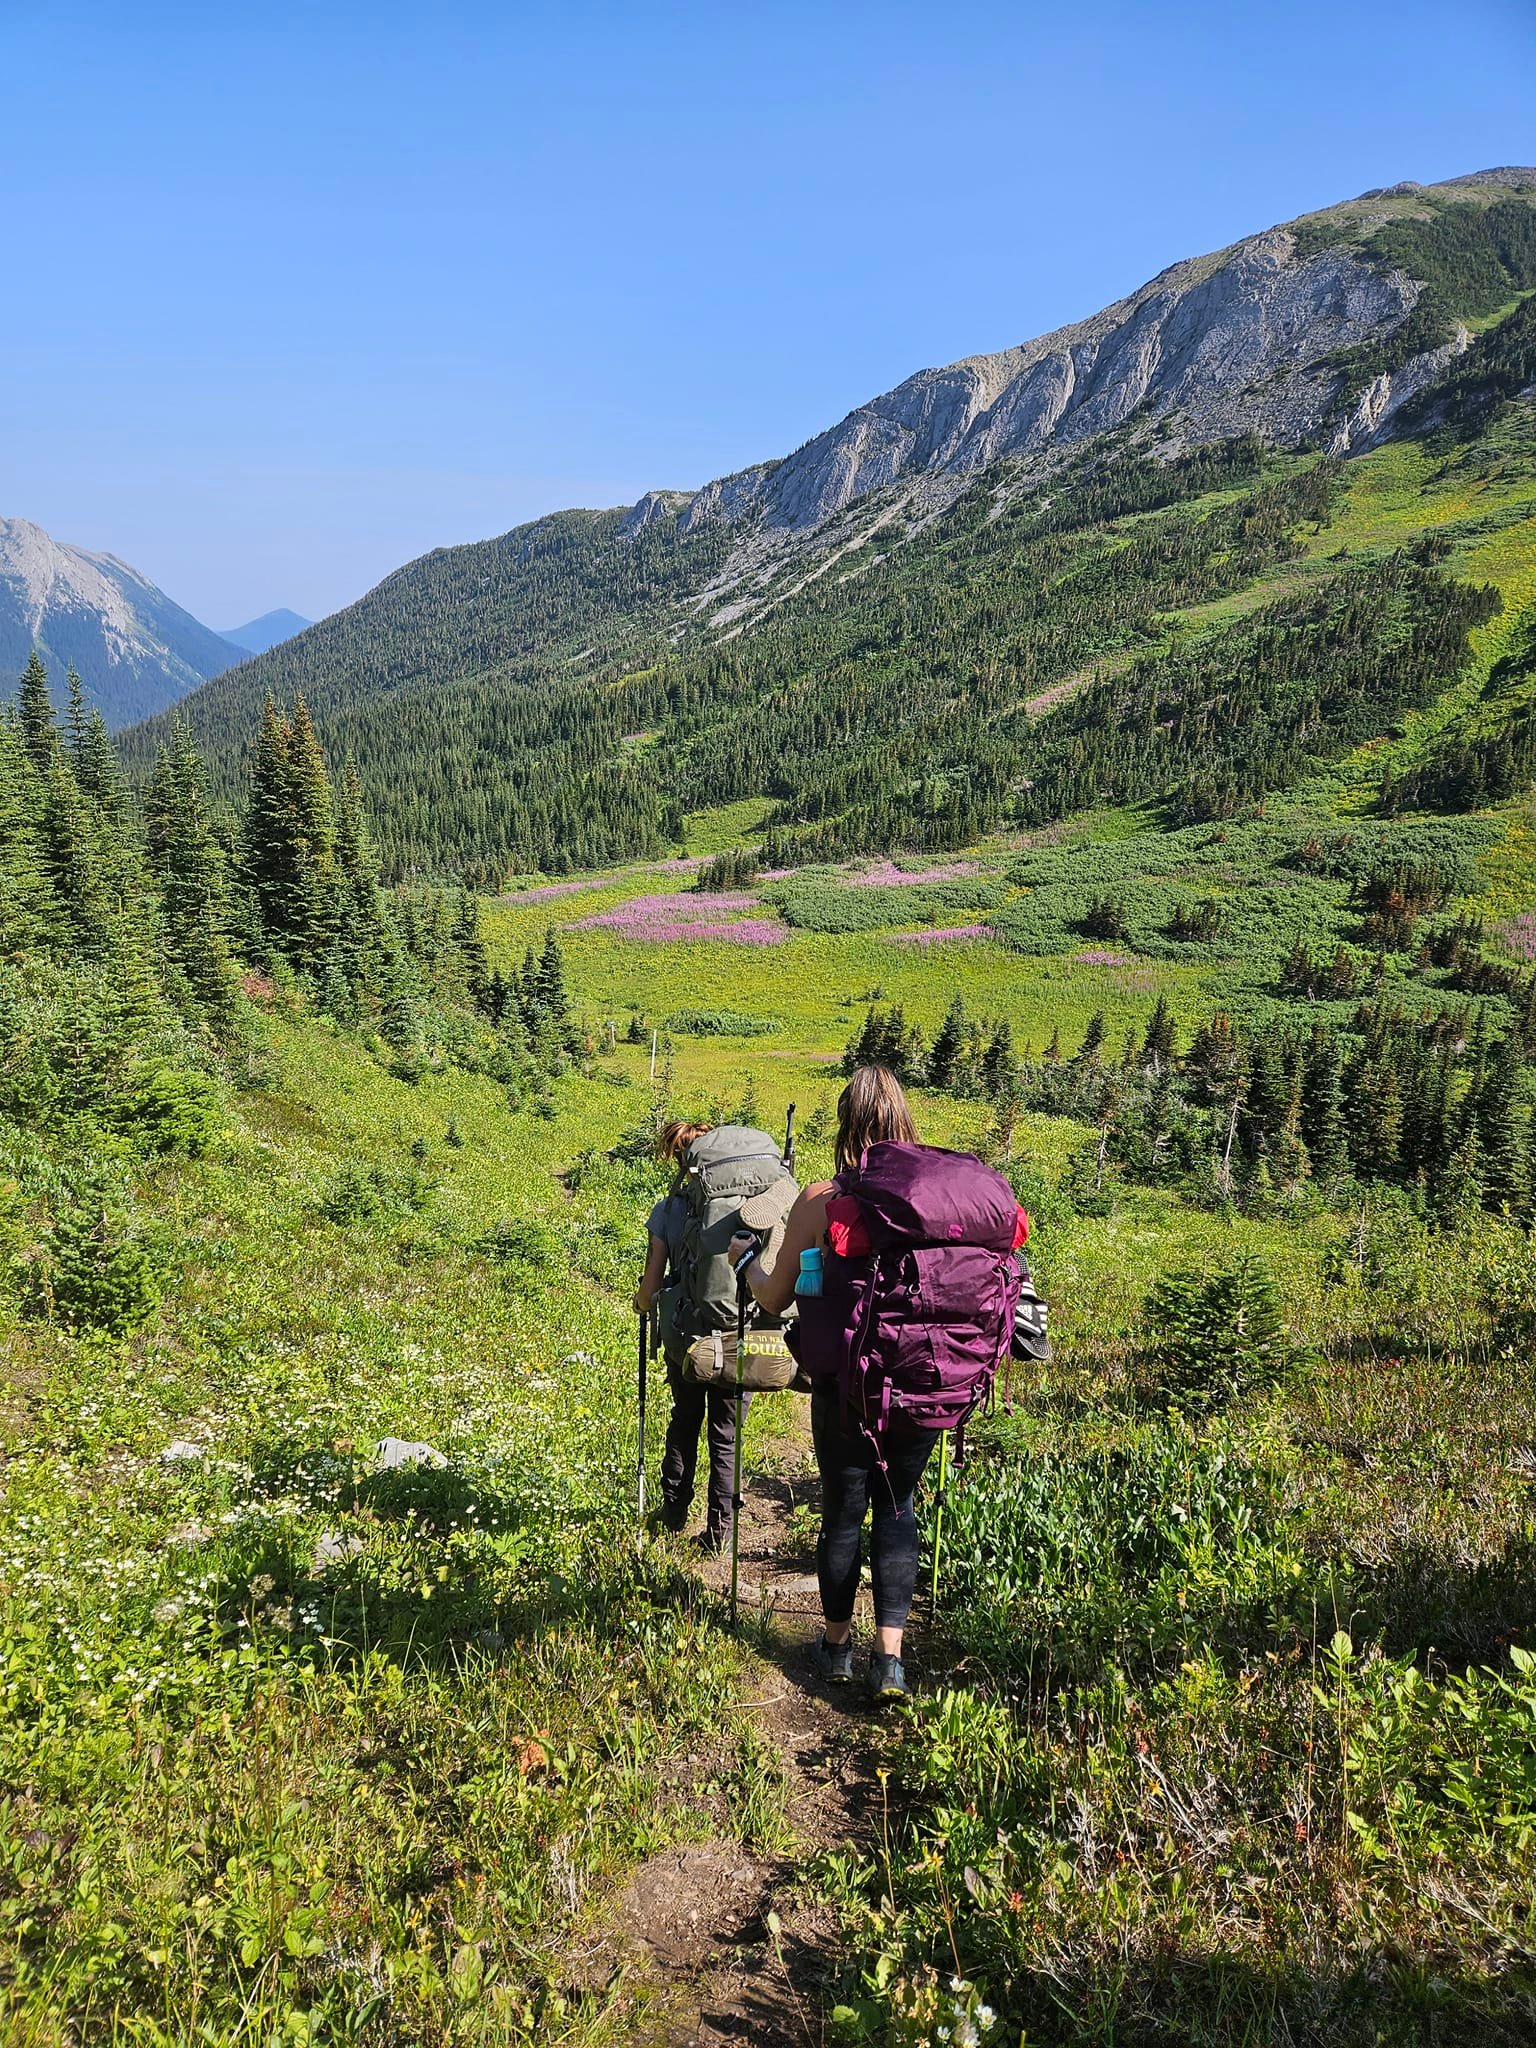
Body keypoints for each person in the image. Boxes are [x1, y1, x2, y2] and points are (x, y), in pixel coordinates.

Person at [729, 1066, 948, 1700]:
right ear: (903, 1119)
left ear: (846, 1123)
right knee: (898, 1508)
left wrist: (747, 1261)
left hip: (846, 1386)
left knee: (844, 1510)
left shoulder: (822, 1199)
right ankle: (891, 1661)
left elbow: (774, 1297)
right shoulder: (934, 1198)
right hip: (921, 1381)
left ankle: (835, 1649)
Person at [632, 1118, 754, 1553]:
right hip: (737, 1335)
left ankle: (673, 1513)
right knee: (727, 1434)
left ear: (682, 1161)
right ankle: (721, 1533)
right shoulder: (747, 1204)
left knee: (685, 1420)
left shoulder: (668, 1210)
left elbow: (651, 1284)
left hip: (687, 1337)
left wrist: (641, 1303)